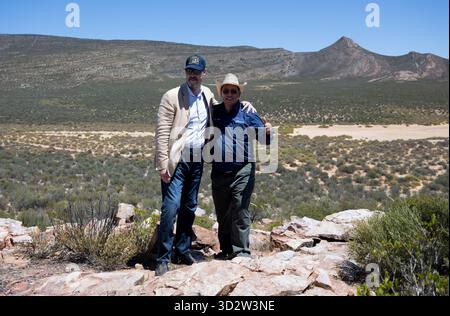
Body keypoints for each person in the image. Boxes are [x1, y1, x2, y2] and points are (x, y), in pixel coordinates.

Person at [154, 56, 257, 276]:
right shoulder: (172, 96)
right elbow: (162, 132)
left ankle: (181, 250)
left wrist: (247, 106)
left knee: (189, 206)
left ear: (204, 73)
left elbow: (228, 108)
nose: (193, 74)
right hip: (176, 159)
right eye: (189, 70)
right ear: (185, 72)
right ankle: (162, 257)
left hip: (197, 159)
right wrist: (162, 164)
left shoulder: (208, 95)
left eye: (197, 71)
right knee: (171, 207)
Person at [210, 73, 272, 260]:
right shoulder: (214, 111)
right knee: (222, 213)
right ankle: (226, 250)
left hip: (242, 169)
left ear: (239, 93)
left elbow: (265, 140)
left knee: (240, 209)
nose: (229, 94)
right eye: (226, 90)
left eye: (233, 91)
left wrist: (267, 129)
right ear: (221, 92)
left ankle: (241, 252)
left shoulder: (248, 112)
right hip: (219, 170)